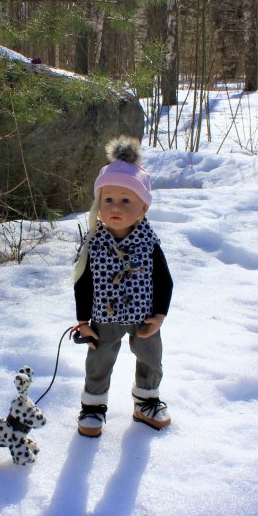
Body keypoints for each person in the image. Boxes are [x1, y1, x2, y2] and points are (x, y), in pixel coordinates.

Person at [72, 136, 173, 438]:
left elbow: (164, 280)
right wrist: (83, 322)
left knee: (150, 359)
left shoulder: (148, 243)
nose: (115, 207)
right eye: (108, 200)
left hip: (144, 319)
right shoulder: (94, 244)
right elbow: (83, 283)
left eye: (126, 200)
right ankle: (93, 406)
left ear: (143, 207)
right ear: (98, 205)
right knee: (99, 361)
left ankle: (146, 401)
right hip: (103, 319)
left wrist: (159, 315)